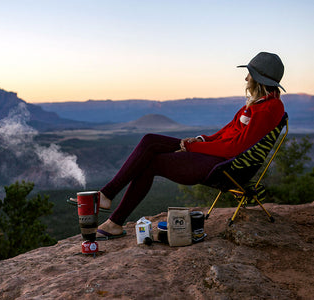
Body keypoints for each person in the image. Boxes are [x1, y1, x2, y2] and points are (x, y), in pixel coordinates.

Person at [96, 51, 286, 240]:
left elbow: (234, 149)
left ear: (259, 79)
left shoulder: (269, 108)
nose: (246, 78)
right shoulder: (256, 105)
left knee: (150, 155)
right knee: (149, 141)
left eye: (250, 74)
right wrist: (201, 139)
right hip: (215, 157)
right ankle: (111, 209)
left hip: (224, 167)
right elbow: (224, 134)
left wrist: (192, 147)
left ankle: (110, 205)